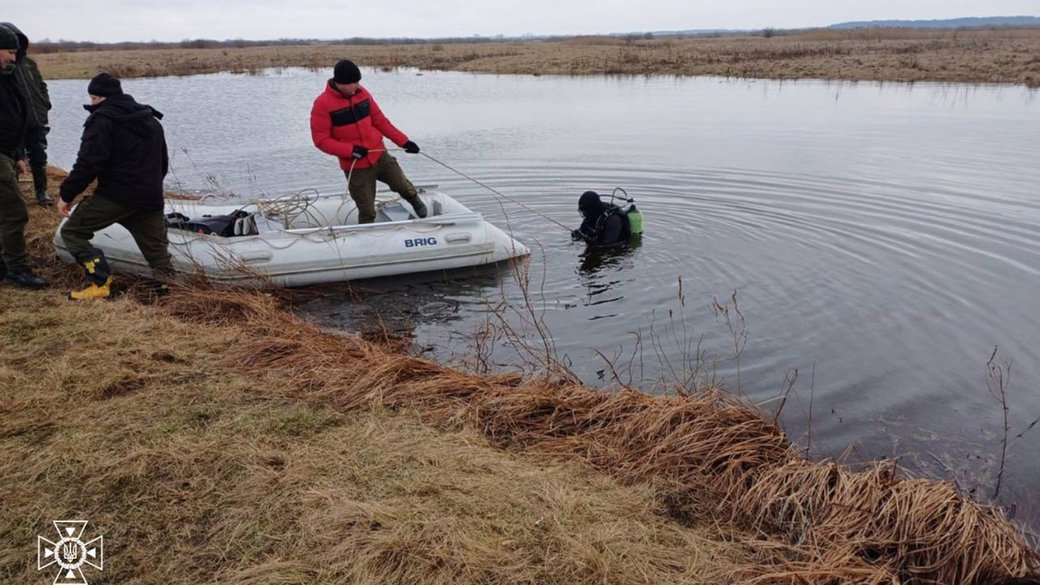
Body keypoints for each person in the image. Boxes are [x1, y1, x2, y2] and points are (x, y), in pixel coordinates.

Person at [57, 73, 173, 300]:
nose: (91, 104)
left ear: (97, 97)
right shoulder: (150, 119)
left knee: (72, 232)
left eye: (92, 99)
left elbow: (88, 163)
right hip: (150, 196)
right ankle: (169, 291)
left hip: (116, 196)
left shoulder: (102, 120)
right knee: (156, 250)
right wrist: (150, 187)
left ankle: (100, 282)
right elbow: (163, 163)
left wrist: (66, 194)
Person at [310, 59, 427, 224]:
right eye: (353, 83)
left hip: (379, 154)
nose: (357, 86)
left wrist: (404, 142)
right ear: (340, 83)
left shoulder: (363, 94)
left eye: (358, 82)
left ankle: (414, 200)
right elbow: (320, 140)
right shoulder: (322, 104)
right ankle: (367, 237)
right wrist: (350, 150)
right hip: (356, 165)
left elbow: (380, 121)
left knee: (401, 184)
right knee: (366, 209)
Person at [0, 25, 46, 289]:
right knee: (14, 212)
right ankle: (17, 269)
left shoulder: (8, 76)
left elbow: (14, 117)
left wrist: (16, 154)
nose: (13, 57)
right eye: (8, 51)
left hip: (7, 152)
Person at [1, 23, 51, 205]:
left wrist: (45, 103)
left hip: (36, 119)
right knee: (12, 158)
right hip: (14, 123)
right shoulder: (5, 67)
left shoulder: (30, 63)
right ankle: (13, 194)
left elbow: (41, 85)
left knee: (39, 156)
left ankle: (42, 191)